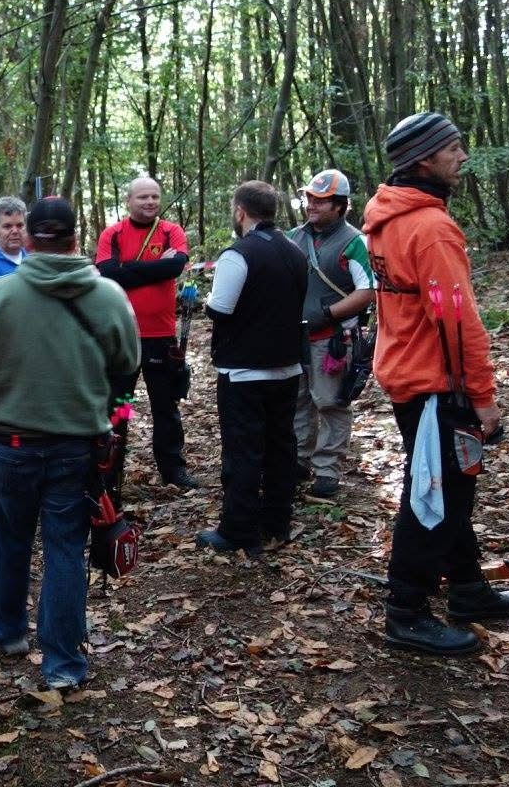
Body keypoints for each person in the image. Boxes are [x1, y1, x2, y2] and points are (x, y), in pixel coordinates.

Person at [0, 196, 138, 690]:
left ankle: (9, 632)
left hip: (8, 445)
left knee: (9, 538)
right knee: (64, 548)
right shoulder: (109, 298)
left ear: (31, 240)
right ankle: (62, 663)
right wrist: (114, 422)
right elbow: (128, 372)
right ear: (77, 240)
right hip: (78, 449)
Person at [363, 112, 509, 656]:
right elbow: (458, 322)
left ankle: (468, 589)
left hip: (411, 374)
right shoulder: (429, 228)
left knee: (450, 488)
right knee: (434, 492)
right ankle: (406, 611)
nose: (462, 156)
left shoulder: (387, 218)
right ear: (425, 159)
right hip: (438, 385)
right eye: (454, 148)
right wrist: (481, 397)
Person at [197, 181, 308, 556]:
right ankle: (277, 522)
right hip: (287, 367)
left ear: (240, 211)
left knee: (243, 452)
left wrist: (207, 301)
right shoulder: (294, 251)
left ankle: (237, 529)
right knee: (280, 449)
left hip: (244, 372)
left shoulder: (237, 254)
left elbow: (221, 308)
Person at [96, 176, 193, 490]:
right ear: (129, 201)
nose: (150, 202)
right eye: (143, 198)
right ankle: (111, 471)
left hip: (160, 337)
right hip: (122, 337)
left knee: (164, 405)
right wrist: (155, 267)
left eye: (154, 197)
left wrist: (128, 270)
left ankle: (173, 470)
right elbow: (108, 274)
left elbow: (175, 267)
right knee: (120, 406)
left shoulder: (170, 231)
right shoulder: (113, 234)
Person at [287, 170, 376, 498]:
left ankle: (327, 471)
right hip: (295, 339)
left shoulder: (355, 242)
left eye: (320, 201)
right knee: (297, 401)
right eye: (309, 198)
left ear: (339, 206)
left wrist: (326, 313)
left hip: (333, 339)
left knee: (330, 403)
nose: (311, 205)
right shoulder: (293, 236)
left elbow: (366, 292)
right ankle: (298, 460)